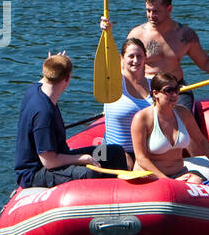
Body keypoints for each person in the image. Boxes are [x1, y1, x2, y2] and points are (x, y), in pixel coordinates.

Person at [100, 0, 209, 113]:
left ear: (169, 9)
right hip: (148, 90)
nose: (151, 16)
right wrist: (107, 33)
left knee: (183, 123)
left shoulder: (185, 35)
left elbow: (205, 62)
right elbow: (123, 66)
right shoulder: (137, 34)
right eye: (148, 11)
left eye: (156, 11)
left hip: (176, 89)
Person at [16, 53, 129, 188]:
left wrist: (54, 61)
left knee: (114, 153)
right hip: (36, 172)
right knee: (89, 173)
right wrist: (81, 158)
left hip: (60, 155)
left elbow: (49, 73)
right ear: (67, 80)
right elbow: (49, 162)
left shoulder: (35, 89)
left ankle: (119, 191)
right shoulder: (44, 114)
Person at [130, 73, 209, 184]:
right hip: (150, 176)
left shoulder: (183, 113)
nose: (174, 94)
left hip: (178, 173)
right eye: (168, 90)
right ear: (155, 93)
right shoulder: (142, 119)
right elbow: (141, 158)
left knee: (196, 181)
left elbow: (201, 141)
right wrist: (168, 181)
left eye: (176, 89)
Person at [101, 37, 151, 163]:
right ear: (121, 58)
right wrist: (106, 32)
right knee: (127, 163)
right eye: (131, 56)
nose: (135, 60)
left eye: (139, 56)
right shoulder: (112, 83)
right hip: (114, 151)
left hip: (145, 152)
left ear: (145, 58)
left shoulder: (154, 86)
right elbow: (104, 61)